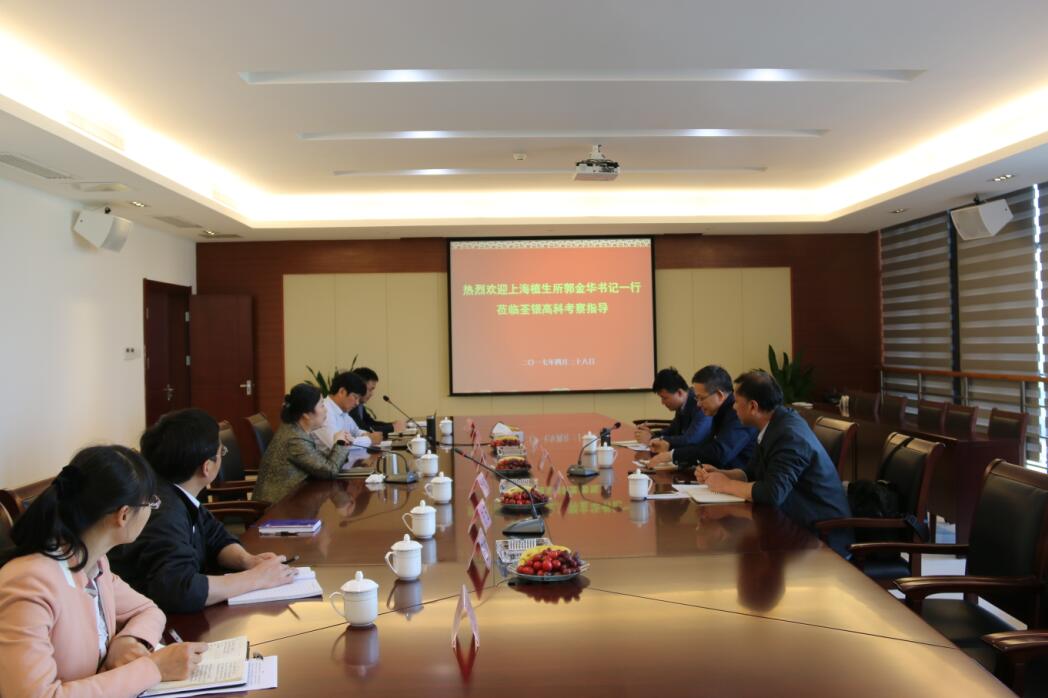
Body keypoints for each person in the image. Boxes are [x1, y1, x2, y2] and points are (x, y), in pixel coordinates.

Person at [0, 446, 208, 697]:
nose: (153, 509)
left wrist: (128, 641)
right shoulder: (29, 583)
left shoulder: (95, 563)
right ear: (124, 515)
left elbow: (148, 610)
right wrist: (153, 668)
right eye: (151, 502)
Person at [109, 409, 297, 614]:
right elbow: (180, 590)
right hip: (150, 621)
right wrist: (256, 578)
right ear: (207, 467)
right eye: (221, 452)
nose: (222, 456)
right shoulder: (162, 512)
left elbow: (214, 535)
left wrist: (248, 561)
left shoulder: (175, 492)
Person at [697, 370, 854, 557]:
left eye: (737, 402)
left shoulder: (789, 435)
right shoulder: (774, 424)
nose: (733, 407)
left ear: (753, 406)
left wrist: (726, 485)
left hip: (822, 538)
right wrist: (721, 474)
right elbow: (752, 472)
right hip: (794, 526)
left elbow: (772, 493)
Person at [254, 383, 352, 503]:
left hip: (293, 498)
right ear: (306, 414)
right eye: (322, 405)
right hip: (275, 507)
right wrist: (340, 443)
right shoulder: (294, 439)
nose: (326, 410)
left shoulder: (295, 430)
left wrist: (343, 445)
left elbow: (321, 463)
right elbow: (329, 471)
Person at [647, 365, 757, 471]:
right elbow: (706, 446)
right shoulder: (719, 411)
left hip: (740, 479)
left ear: (720, 395)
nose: (698, 404)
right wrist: (672, 451)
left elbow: (719, 453)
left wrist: (673, 455)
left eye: (702, 398)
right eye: (697, 398)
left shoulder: (737, 413)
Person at [635, 367, 711, 453]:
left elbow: (690, 439)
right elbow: (672, 430)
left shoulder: (699, 404)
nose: (662, 402)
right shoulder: (682, 404)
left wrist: (652, 438)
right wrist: (652, 434)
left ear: (679, 393)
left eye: (664, 398)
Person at [312, 371, 381, 453]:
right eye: (355, 397)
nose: (357, 403)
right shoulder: (324, 410)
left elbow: (356, 431)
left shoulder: (342, 412)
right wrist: (369, 440)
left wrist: (366, 435)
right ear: (342, 392)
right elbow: (337, 445)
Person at [349, 367, 395, 437]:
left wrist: (392, 425)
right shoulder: (350, 406)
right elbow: (362, 428)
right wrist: (392, 428)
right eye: (370, 389)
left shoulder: (360, 405)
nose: (372, 394)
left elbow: (370, 423)